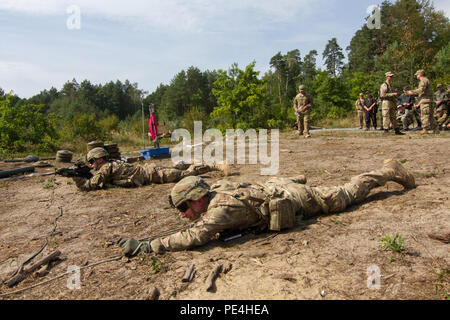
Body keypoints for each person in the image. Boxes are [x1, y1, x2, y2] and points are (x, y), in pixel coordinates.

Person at [119, 159, 415, 255]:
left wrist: (148, 246)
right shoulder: (216, 192)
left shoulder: (219, 210)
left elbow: (194, 236)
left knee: (345, 195)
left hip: (297, 198)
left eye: (185, 208)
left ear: (198, 199)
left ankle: (386, 172)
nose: (184, 215)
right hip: (276, 185)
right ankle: (299, 180)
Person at [72, 147, 229, 192]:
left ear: (100, 159)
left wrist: (76, 178)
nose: (91, 165)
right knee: (175, 170)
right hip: (149, 172)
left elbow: (90, 186)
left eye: (92, 162)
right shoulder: (107, 167)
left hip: (151, 174)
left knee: (182, 175)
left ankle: (212, 165)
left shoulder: (106, 168)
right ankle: (189, 162)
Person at [405, 70, 439, 134]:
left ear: (420, 74)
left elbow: (421, 90)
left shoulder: (423, 80)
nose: (416, 76)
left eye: (417, 75)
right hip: (428, 100)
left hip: (425, 100)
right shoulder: (426, 80)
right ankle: (435, 129)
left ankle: (425, 129)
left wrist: (411, 92)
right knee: (430, 115)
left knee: (425, 115)